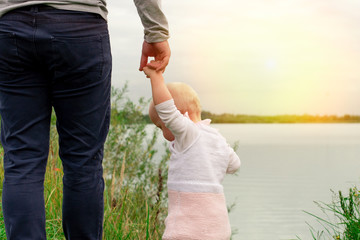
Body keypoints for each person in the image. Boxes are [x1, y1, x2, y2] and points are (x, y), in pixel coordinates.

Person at [0, 1, 170, 239]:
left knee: (22, 159)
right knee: (83, 162)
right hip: (81, 26)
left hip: (11, 28)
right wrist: (156, 31)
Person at [143, 62, 241, 240]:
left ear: (178, 118)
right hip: (218, 230)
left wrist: (156, 78)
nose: (164, 134)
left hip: (187, 230)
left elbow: (166, 110)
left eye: (160, 127)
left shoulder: (188, 133)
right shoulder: (217, 139)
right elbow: (235, 165)